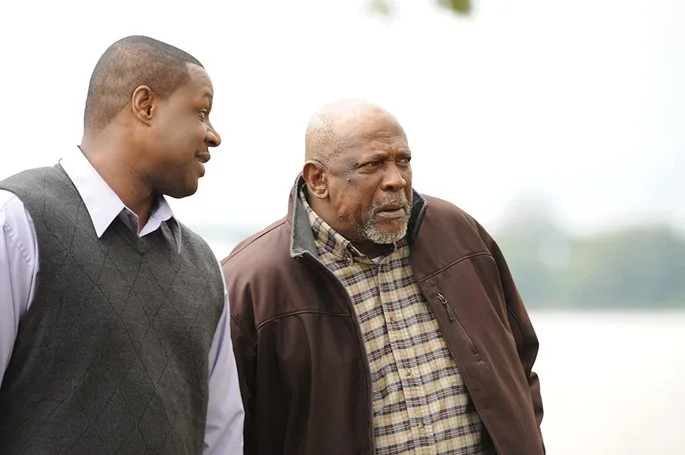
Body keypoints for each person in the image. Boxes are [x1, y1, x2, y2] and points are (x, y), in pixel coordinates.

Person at [222, 99, 545, 454]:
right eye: (374, 164)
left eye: (403, 161)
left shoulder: (460, 238)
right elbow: (225, 431)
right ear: (318, 179)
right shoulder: (250, 283)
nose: (396, 180)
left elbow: (519, 368)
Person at [0, 35, 243, 454]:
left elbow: (221, 437)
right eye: (201, 112)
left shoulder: (203, 266)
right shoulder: (17, 222)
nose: (214, 135)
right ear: (145, 105)